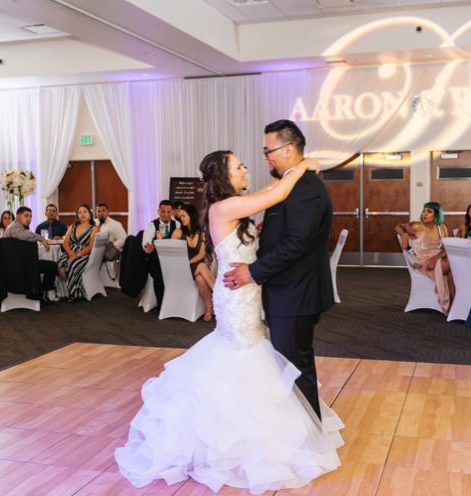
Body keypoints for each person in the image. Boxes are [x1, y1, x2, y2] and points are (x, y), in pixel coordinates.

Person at [118, 149, 341, 492]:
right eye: (239, 166)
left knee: (249, 355)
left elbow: (268, 192)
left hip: (244, 292)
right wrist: (303, 166)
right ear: (224, 176)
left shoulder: (233, 205)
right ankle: (236, 441)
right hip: (236, 297)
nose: (245, 169)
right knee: (242, 356)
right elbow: (278, 193)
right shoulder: (225, 207)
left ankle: (249, 431)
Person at [221, 119, 336, 420]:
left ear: (287, 149)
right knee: (289, 362)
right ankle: (302, 428)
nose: (265, 157)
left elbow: (297, 244)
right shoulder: (293, 182)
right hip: (287, 291)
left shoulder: (306, 188)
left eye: (268, 150)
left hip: (296, 292)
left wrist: (253, 271)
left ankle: (308, 433)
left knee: (294, 366)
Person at [3, 207, 62, 300]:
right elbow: (24, 235)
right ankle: (43, 293)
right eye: (26, 216)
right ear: (18, 216)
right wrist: (41, 238)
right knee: (52, 266)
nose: (29, 219)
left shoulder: (19, 227)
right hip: (19, 267)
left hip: (20, 264)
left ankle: (42, 293)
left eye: (30, 217)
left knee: (51, 265)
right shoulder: (14, 227)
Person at [174, 207, 214, 321]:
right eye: (180, 217)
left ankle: (209, 308)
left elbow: (202, 254)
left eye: (184, 216)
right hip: (182, 267)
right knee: (202, 266)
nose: (181, 219)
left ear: (192, 216)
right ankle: (219, 293)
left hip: (194, 266)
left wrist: (188, 262)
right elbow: (172, 252)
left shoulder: (202, 233)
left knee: (200, 279)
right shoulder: (178, 232)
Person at [142, 200, 184, 304]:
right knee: (159, 276)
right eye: (163, 211)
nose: (165, 214)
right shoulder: (151, 225)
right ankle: (160, 305)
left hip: (173, 260)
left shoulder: (178, 225)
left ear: (172, 212)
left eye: (168, 212)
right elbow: (145, 243)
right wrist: (149, 247)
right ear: (158, 212)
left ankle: (175, 302)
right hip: (155, 260)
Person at [408, 219, 453, 313]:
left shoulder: (441, 228)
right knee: (454, 267)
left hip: (436, 259)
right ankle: (450, 303)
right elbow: (399, 227)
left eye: (429, 212)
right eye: (424, 211)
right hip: (426, 263)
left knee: (452, 270)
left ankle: (452, 303)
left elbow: (446, 247)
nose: (425, 214)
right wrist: (404, 235)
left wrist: (437, 257)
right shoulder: (419, 228)